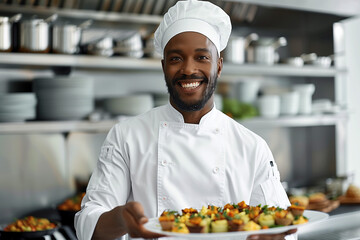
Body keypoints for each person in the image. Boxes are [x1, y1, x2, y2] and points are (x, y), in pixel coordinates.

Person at [75, 0, 297, 239]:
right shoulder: (127, 136)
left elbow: (282, 226)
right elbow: (88, 223)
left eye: (202, 57)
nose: (188, 69)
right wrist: (120, 218)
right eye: (176, 59)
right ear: (163, 67)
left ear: (219, 66)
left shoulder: (252, 148)